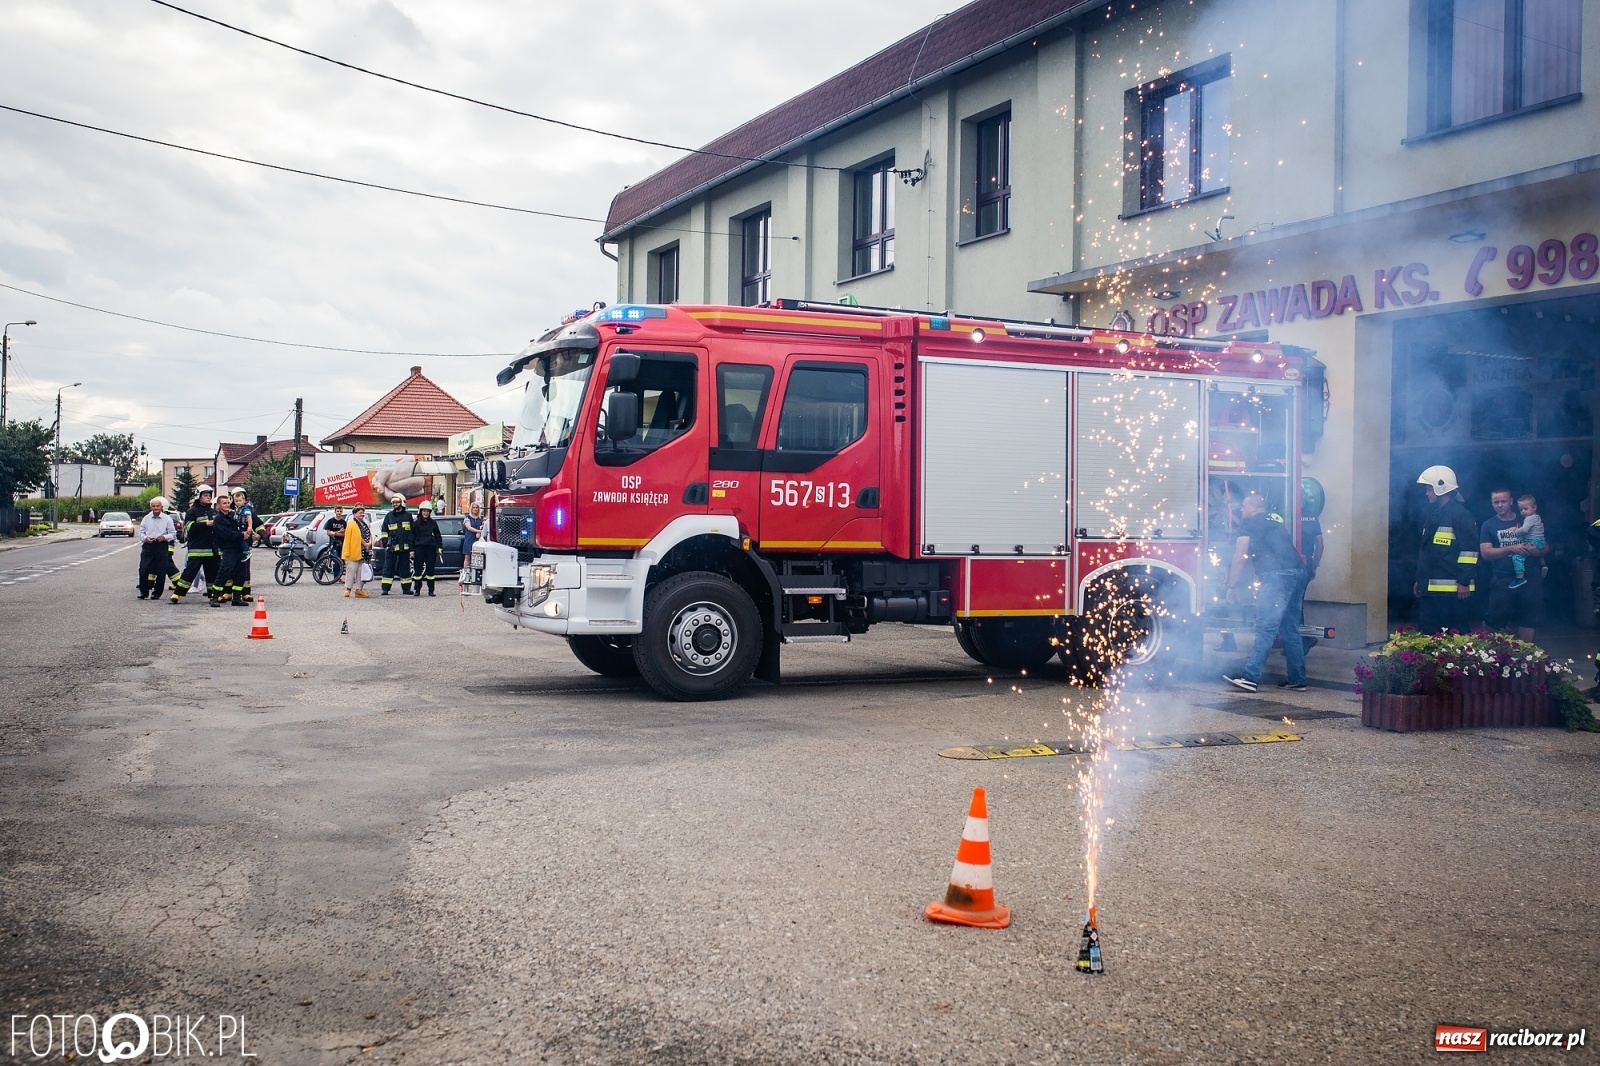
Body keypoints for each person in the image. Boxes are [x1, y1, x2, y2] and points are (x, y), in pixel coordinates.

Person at [1222, 493, 1308, 693]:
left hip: (1277, 576)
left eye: (1243, 506)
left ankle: (1250, 677)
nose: (1241, 510)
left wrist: (1231, 586)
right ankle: (1297, 679)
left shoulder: (1251, 523)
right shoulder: (1275, 522)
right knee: (1290, 628)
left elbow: (1240, 556)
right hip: (1298, 573)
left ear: (1254, 508)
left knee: (1265, 627)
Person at [1414, 465, 1478, 635]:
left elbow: (1469, 552)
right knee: (1428, 636)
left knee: (1456, 637)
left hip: (1453, 593)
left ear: (1440, 487)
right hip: (1431, 590)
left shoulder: (1461, 515)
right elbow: (1427, 553)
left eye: (1429, 489)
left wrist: (1464, 582)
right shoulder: (1434, 514)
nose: (1426, 493)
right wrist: (1421, 580)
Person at [1480, 488, 1544, 641]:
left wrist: (1536, 551)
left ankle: (1525, 658)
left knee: (1529, 618)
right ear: (1492, 504)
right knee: (1494, 618)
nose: (1500, 505)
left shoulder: (1527, 518)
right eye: (1496, 502)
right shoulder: (1488, 525)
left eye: (1503, 501)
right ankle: (1487, 656)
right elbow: (1485, 553)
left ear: (1510, 501)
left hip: (1530, 576)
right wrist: (1511, 548)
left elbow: (1545, 546)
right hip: (1502, 578)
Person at [170, 485, 220, 603]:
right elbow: (188, 527)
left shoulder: (213, 512)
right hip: (197, 548)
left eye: (209, 496)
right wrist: (205, 524)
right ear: (199, 497)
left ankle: (213, 595)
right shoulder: (192, 511)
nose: (208, 498)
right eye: (205, 496)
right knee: (189, 572)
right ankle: (177, 594)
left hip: (211, 549)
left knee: (212, 573)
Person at [136, 496, 178, 599]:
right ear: (151, 507)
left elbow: (173, 534)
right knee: (143, 569)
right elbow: (141, 533)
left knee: (161, 570)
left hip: (161, 545)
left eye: (157, 506)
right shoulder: (146, 519)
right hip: (148, 546)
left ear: (161, 507)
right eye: (153, 506)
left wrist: (164, 537)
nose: (155, 508)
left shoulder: (167, 519)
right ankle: (143, 592)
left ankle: (157, 593)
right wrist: (146, 538)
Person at [211, 492, 248, 607]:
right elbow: (226, 534)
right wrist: (241, 535)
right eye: (224, 503)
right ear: (218, 506)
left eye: (228, 503)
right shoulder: (218, 519)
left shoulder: (233, 516)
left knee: (241, 573)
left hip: (239, 548)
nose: (227, 505)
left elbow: (244, 524)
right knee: (225, 571)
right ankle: (214, 597)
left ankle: (236, 597)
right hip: (228, 548)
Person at [1508, 494, 1547, 591]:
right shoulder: (1537, 517)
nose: (1523, 512)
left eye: (1525, 508)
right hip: (1540, 541)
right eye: (1521, 509)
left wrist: (1515, 532)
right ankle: (1543, 565)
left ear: (1534, 507)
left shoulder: (1529, 518)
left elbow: (1525, 530)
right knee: (1538, 552)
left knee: (1517, 557)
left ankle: (1519, 578)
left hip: (1532, 541)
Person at [378, 494, 414, 596]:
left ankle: (406, 589)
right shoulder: (389, 516)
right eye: (393, 503)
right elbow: (384, 531)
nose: (395, 504)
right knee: (388, 568)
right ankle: (385, 589)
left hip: (404, 548)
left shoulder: (408, 516)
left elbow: (411, 533)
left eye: (397, 502)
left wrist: (411, 548)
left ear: (402, 502)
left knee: (405, 569)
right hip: (391, 548)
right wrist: (386, 544)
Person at [229, 488, 258, 601]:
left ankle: (245, 592)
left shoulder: (247, 510)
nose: (238, 502)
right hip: (233, 544)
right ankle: (228, 592)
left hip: (244, 539)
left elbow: (257, 523)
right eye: (235, 500)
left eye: (240, 500)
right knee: (230, 569)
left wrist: (259, 533)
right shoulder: (231, 510)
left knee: (244, 569)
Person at [411, 500, 443, 596]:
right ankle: (417, 590)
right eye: (424, 511)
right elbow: (411, 537)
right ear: (420, 511)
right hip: (419, 548)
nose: (425, 513)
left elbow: (438, 536)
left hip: (431, 548)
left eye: (427, 511)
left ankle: (431, 590)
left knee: (430, 571)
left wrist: (440, 548)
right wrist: (412, 550)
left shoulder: (433, 523)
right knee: (418, 570)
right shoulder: (416, 524)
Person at [342, 506, 371, 598]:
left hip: (363, 552)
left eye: (363, 513)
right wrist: (366, 544)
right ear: (354, 514)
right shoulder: (352, 524)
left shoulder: (364, 524)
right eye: (360, 513)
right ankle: (348, 589)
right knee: (351, 570)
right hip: (353, 552)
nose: (362, 514)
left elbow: (369, 534)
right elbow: (357, 537)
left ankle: (359, 590)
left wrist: (369, 543)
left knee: (361, 572)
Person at [322, 506, 348, 580]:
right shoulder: (330, 521)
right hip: (333, 543)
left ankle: (339, 576)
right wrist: (338, 532)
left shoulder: (344, 523)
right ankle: (336, 577)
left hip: (342, 543)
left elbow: (345, 534)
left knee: (341, 561)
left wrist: (335, 533)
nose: (339, 513)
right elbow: (328, 532)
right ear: (335, 512)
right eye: (338, 511)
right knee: (336, 560)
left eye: (340, 511)